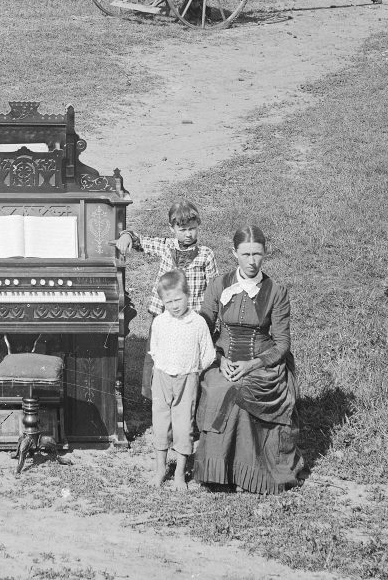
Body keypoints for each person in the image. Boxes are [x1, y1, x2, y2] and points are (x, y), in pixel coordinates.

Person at [192, 225, 303, 494]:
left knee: (240, 390)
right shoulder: (219, 285)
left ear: (265, 254)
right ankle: (219, 473)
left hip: (263, 365)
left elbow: (282, 343)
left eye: (257, 254)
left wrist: (251, 364)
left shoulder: (276, 291)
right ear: (234, 254)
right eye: (246, 254)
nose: (252, 261)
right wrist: (219, 360)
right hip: (223, 360)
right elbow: (204, 327)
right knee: (219, 387)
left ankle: (250, 474)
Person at [116, 199, 219, 397]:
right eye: (182, 229)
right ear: (171, 228)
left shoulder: (206, 255)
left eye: (192, 228)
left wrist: (209, 319)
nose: (188, 234)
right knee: (157, 353)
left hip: (191, 316)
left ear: (198, 226)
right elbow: (140, 241)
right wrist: (127, 236)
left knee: (187, 359)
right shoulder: (166, 247)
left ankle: (189, 399)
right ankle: (157, 397)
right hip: (164, 314)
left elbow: (214, 289)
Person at [148, 270, 216, 492]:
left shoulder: (197, 323)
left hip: (187, 379)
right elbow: (155, 349)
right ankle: (160, 469)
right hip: (162, 378)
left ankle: (179, 473)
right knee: (160, 424)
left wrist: (192, 371)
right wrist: (163, 369)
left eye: (178, 299)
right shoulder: (159, 322)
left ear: (188, 294)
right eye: (169, 301)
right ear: (163, 302)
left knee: (183, 425)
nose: (175, 305)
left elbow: (208, 354)